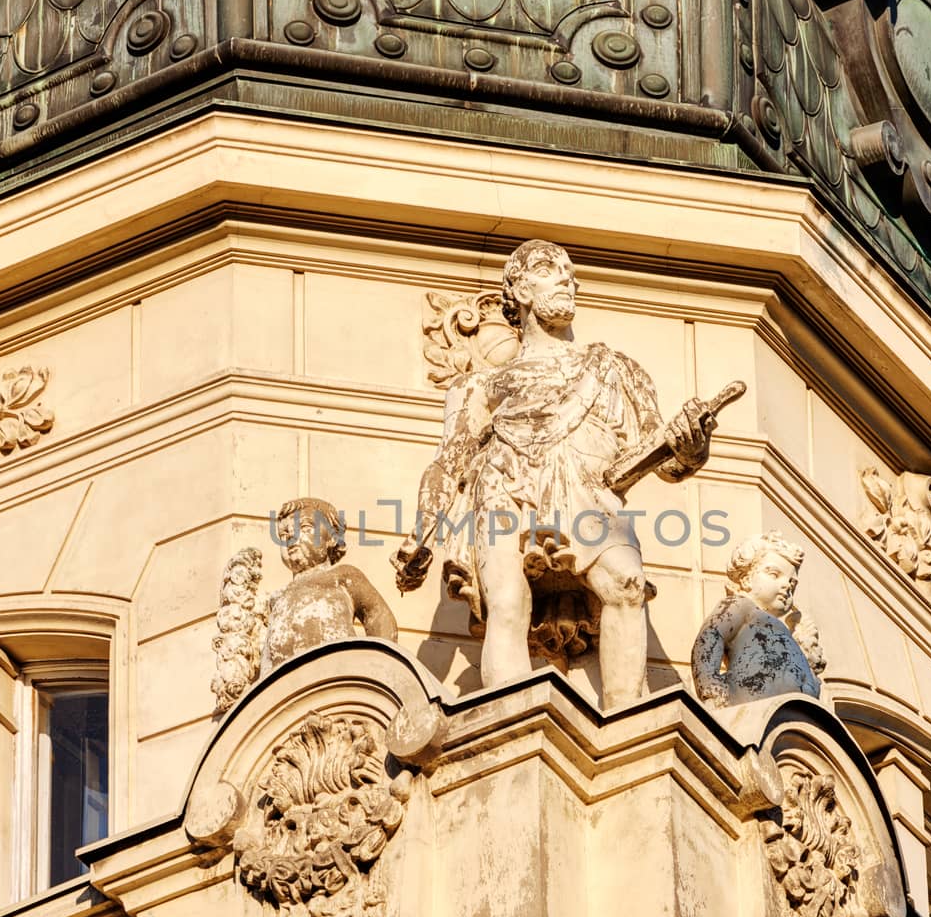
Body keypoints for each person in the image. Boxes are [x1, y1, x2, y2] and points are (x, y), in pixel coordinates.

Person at [392, 240, 718, 709]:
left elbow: (664, 459)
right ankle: (509, 719)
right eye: (549, 269)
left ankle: (625, 725)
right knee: (507, 605)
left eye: (569, 272)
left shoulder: (616, 369)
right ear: (519, 289)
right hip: (504, 482)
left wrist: (692, 447)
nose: (568, 278)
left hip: (588, 489)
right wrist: (422, 534)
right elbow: (449, 462)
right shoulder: (479, 385)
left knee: (626, 584)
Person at [212, 497, 397, 716]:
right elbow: (267, 656)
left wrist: (380, 671)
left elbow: (379, 617)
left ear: (331, 538)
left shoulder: (343, 576)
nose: (290, 536)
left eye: (305, 527)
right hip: (283, 696)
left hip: (338, 681)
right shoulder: (277, 598)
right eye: (283, 534)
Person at [691, 531, 824, 706]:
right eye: (774, 574)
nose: (786, 586)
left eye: (792, 584)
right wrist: (709, 684)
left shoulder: (786, 633)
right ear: (746, 580)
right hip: (748, 706)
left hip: (794, 718)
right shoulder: (742, 606)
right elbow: (711, 635)